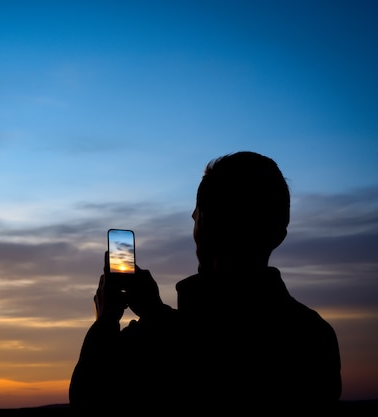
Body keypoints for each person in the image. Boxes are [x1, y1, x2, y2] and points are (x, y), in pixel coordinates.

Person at [69, 151, 342, 414]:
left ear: (203, 224)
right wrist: (155, 312)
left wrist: (106, 321)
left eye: (197, 216)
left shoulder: (151, 347)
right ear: (280, 234)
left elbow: (88, 399)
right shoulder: (315, 336)